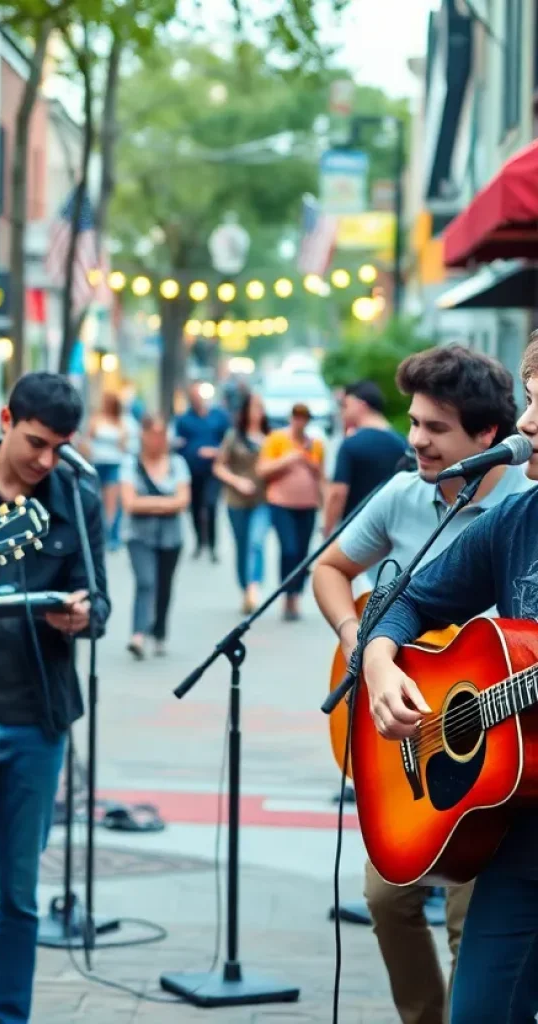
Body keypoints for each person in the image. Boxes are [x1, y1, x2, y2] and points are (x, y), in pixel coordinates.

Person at [312, 344, 529, 1024]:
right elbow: (407, 601)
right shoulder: (521, 520)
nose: (528, 422)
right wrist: (375, 659)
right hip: (521, 832)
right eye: (528, 397)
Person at [0, 372, 110, 1024]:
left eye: (60, 448)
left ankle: (7, 1016)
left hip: (39, 716)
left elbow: (103, 601)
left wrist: (84, 615)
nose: (46, 460)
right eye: (36, 442)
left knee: (23, 894)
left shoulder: (76, 497)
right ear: (6, 419)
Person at [121, 414, 191, 658]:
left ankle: (159, 632)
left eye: (163, 435)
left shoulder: (177, 463)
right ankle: (138, 634)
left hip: (171, 537)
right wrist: (166, 503)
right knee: (146, 581)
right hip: (139, 536)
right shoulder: (131, 464)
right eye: (154, 434)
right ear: (144, 435)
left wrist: (148, 503)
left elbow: (183, 501)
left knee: (164, 585)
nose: (159, 440)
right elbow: (129, 503)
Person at [257, 402, 325, 621]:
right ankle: (287, 594)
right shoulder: (277, 439)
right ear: (291, 418)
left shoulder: (315, 445)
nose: (300, 421)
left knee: (303, 554)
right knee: (289, 550)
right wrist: (290, 458)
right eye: (296, 416)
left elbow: (321, 476)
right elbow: (263, 469)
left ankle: (296, 596)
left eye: (304, 417)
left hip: (308, 505)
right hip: (282, 504)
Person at [322, 379, 408, 538]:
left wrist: (327, 531)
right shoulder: (402, 443)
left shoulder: (351, 444)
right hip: (391, 532)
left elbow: (337, 494)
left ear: (361, 405)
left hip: (355, 533)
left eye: (345, 406)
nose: (342, 412)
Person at [214, 391, 270, 614]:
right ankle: (245, 587)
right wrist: (236, 482)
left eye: (261, 407)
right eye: (254, 407)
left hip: (263, 500)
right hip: (236, 500)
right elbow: (219, 466)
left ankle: (253, 589)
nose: (258, 412)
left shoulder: (271, 436)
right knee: (242, 545)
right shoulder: (234, 436)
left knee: (256, 543)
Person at [174, 380, 230, 561]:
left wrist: (217, 451)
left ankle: (213, 545)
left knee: (211, 505)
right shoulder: (184, 419)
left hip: (213, 470)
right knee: (196, 507)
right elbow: (179, 444)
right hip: (192, 470)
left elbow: (228, 441)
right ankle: (200, 542)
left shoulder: (219, 416)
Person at [86, 391, 127, 549]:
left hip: (113, 463)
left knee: (113, 502)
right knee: (97, 499)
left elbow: (123, 444)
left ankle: (113, 535)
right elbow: (88, 439)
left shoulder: (120, 422)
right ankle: (100, 533)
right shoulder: (97, 419)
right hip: (98, 463)